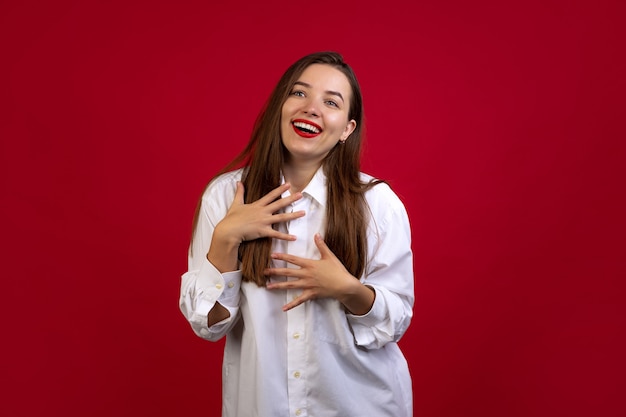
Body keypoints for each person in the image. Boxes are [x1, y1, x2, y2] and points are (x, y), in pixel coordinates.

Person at [179, 51, 414, 417]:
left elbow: (393, 322)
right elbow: (207, 325)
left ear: (347, 129)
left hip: (362, 405)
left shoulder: (378, 205)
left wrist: (348, 289)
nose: (312, 108)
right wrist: (225, 240)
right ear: (281, 107)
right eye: (299, 93)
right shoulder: (225, 197)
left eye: (331, 102)